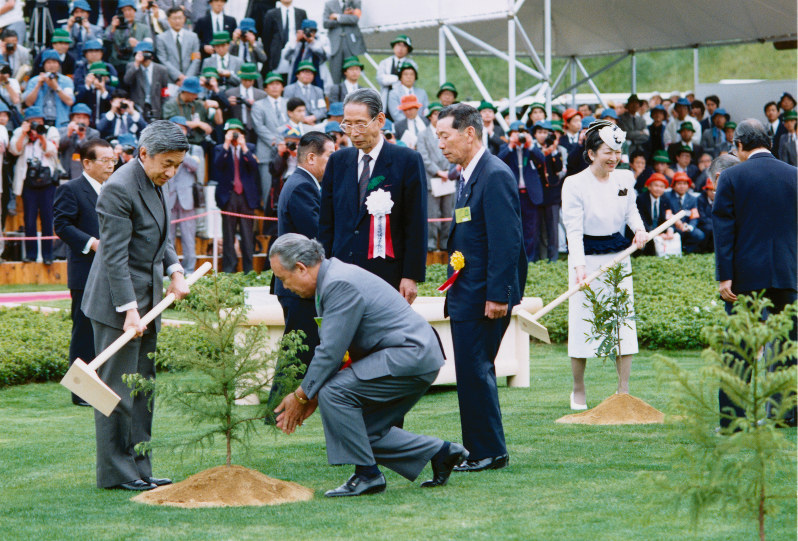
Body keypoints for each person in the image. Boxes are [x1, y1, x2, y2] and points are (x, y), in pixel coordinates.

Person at [271, 234, 468, 496]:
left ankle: (367, 475)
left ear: (301, 268)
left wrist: (302, 395)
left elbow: (330, 352)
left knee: (335, 392)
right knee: (364, 431)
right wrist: (311, 395)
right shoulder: (335, 277)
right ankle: (441, 452)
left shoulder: (338, 284)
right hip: (412, 355)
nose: (285, 287)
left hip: (409, 356)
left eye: (284, 278)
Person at [80, 121, 188, 491]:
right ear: (144, 154)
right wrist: (128, 310)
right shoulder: (118, 188)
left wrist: (174, 270)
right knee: (115, 392)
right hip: (116, 305)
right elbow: (114, 256)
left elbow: (159, 233)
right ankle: (117, 472)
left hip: (148, 299)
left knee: (142, 391)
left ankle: (141, 467)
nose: (171, 173)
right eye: (167, 164)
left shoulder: (154, 181)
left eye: (177, 165)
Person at [435, 103, 525, 472]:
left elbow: (508, 240)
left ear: (469, 133)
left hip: (484, 295)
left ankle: (488, 451)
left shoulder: (494, 174)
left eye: (445, 135)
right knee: (470, 372)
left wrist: (497, 295)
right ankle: (479, 449)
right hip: (466, 291)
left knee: (477, 370)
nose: (440, 144)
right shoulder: (468, 175)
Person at [712, 119, 797, 428]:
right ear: (770, 143)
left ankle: (733, 419)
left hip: (745, 278)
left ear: (739, 146)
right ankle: (786, 414)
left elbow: (724, 231)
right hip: (789, 275)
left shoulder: (732, 177)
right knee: (787, 347)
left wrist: (724, 276)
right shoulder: (795, 176)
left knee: (739, 350)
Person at [561, 119, 648, 410]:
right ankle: (578, 389)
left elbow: (631, 212)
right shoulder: (573, 184)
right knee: (581, 322)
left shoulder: (624, 179)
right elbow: (572, 230)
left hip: (618, 261)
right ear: (591, 153)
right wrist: (578, 267)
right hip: (585, 261)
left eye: (617, 152)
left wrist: (639, 230)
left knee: (624, 324)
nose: (613, 157)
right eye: (607, 151)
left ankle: (623, 390)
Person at [318, 88, 427, 299]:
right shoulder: (337, 162)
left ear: (380, 120)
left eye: (360, 123)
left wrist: (410, 275)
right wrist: (323, 270)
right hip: (341, 273)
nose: (354, 132)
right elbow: (326, 224)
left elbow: (415, 223)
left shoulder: (407, 161)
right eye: (347, 124)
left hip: (387, 275)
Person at [269, 132, 335, 407]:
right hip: (297, 283)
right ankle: (276, 410)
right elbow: (315, 236)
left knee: (303, 348)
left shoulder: (302, 184)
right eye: (329, 156)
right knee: (296, 351)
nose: (334, 161)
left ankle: (291, 406)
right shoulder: (301, 187)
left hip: (300, 283)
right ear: (311, 157)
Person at [53, 138, 115, 406]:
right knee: (84, 330)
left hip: (113, 272)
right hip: (85, 270)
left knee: (108, 328)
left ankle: (106, 382)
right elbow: (62, 225)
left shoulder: (114, 190)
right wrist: (93, 244)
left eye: (114, 159)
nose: (111, 165)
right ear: (86, 163)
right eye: (105, 160)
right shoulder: (71, 190)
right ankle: (82, 393)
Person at [9, 106, 60, 264]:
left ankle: (48, 256)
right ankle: (31, 255)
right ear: (26, 122)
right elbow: (14, 150)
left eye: (38, 121)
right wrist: (25, 134)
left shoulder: (51, 131)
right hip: (28, 181)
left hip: (47, 181)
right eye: (32, 122)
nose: (35, 124)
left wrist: (41, 136)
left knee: (47, 218)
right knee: (29, 219)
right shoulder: (20, 132)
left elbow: (52, 151)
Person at [214, 118, 260, 273]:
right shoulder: (220, 148)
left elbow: (254, 167)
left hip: (246, 196)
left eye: (237, 132)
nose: (234, 135)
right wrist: (226, 144)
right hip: (229, 195)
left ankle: (249, 270)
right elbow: (217, 166)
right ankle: (229, 269)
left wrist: (244, 146)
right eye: (231, 132)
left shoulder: (250, 148)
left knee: (248, 235)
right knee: (228, 234)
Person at [416, 102, 452, 252]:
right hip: (432, 178)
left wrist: (449, 171)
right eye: (435, 114)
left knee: (448, 212)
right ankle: (431, 244)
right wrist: (438, 172)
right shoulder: (423, 134)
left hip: (449, 178)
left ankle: (445, 242)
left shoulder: (450, 132)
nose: (437, 117)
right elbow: (423, 157)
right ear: (430, 116)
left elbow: (454, 151)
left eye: (440, 114)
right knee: (432, 213)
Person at [166, 118, 201, 273]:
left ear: (187, 131)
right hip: (169, 196)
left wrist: (181, 149)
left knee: (188, 236)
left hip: (187, 197)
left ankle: (189, 269)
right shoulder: (164, 149)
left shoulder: (195, 149)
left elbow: (195, 166)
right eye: (176, 129)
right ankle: (170, 269)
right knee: (168, 237)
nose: (180, 131)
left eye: (183, 129)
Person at [251, 71, 288, 204]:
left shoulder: (288, 103)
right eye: (271, 84)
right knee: (268, 191)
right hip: (266, 152)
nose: (274, 87)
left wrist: (286, 144)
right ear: (265, 88)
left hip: (288, 153)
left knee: (287, 189)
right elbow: (259, 128)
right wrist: (278, 143)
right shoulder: (258, 105)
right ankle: (268, 222)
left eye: (277, 84)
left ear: (282, 87)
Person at [23, 50, 75, 129]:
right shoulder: (34, 81)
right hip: (40, 122)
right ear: (43, 65)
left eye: (54, 62)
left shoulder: (66, 81)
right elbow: (28, 103)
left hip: (61, 122)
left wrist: (56, 87)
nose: (51, 65)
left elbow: (70, 101)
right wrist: (38, 85)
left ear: (59, 65)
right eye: (48, 62)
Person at [124, 41, 170, 122]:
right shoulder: (132, 67)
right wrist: (136, 64)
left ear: (152, 56)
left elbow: (165, 91)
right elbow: (127, 81)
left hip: (155, 107)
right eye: (141, 53)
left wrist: (164, 109)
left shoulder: (162, 70)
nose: (144, 56)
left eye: (146, 53)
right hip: (138, 107)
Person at [105, 0, 152, 76]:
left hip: (137, 64)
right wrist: (112, 29)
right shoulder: (113, 27)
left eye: (129, 10)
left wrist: (138, 44)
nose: (127, 13)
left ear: (135, 11)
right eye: (124, 10)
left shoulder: (144, 28)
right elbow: (105, 43)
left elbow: (150, 46)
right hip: (116, 65)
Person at [155, 7, 201, 85]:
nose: (177, 21)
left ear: (184, 19)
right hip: (171, 81)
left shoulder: (193, 37)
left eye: (180, 18)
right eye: (174, 18)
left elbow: (196, 59)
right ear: (168, 20)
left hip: (189, 80)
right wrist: (178, 76)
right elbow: (163, 60)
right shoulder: (161, 38)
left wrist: (187, 78)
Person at [322, 0, 364, 85]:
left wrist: (337, 17)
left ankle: (352, 97)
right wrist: (346, 17)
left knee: (351, 76)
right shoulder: (329, 4)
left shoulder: (355, 2)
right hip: (335, 45)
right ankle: (336, 96)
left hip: (350, 45)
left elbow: (355, 19)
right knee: (335, 78)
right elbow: (325, 23)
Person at [225, 63, 267, 142]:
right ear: (241, 79)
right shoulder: (230, 93)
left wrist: (256, 106)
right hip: (237, 128)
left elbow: (266, 114)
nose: (248, 82)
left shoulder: (261, 95)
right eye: (245, 79)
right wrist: (228, 104)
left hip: (255, 130)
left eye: (250, 80)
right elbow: (225, 114)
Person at [262, 0, 308, 73]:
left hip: (296, 52)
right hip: (277, 54)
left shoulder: (301, 13)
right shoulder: (271, 14)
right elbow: (266, 37)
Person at [635, 172, 674, 256]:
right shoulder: (641, 199)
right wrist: (655, 233)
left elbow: (669, 216)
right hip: (645, 230)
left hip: (659, 230)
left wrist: (670, 231)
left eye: (661, 187)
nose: (658, 189)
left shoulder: (665, 199)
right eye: (656, 185)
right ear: (649, 186)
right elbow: (641, 219)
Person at [58, 103, 101, 179]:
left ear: (88, 121)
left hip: (85, 173)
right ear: (72, 119)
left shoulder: (94, 133)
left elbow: (92, 153)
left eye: (84, 118)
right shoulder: (63, 131)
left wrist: (82, 137)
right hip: (65, 172)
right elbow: (59, 148)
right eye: (78, 117)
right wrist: (69, 133)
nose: (81, 120)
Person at [664, 171, 704, 253]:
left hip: (686, 225)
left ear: (688, 186)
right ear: (674, 186)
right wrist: (675, 223)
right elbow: (666, 213)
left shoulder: (693, 199)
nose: (682, 186)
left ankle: (687, 250)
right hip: (672, 226)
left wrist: (690, 227)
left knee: (699, 235)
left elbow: (694, 216)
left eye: (684, 184)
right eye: (679, 184)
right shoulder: (667, 196)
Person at [376, 34, 412, 115]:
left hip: (402, 99)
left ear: (408, 49)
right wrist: (397, 78)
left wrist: (388, 78)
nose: (400, 49)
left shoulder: (411, 64)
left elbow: (409, 82)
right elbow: (380, 79)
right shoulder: (385, 62)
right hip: (386, 98)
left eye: (404, 46)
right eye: (398, 45)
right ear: (394, 47)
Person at [75, 61, 113, 127]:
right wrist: (87, 85)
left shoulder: (110, 90)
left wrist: (103, 90)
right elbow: (77, 101)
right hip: (86, 125)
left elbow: (111, 106)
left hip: (103, 125)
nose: (98, 78)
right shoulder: (83, 88)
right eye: (96, 76)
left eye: (101, 76)